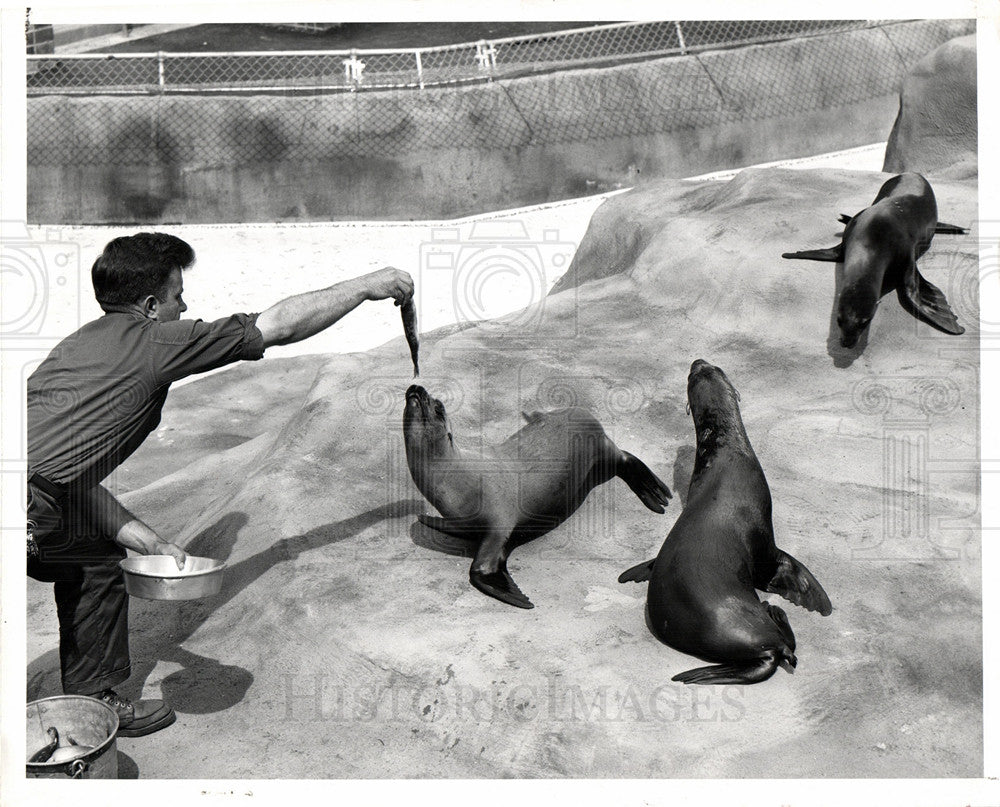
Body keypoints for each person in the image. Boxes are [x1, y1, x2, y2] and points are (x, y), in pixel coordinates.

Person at [26, 232, 413, 737]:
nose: (184, 305)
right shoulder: (155, 341)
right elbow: (275, 327)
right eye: (175, 296)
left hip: (35, 497)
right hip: (25, 509)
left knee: (96, 560)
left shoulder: (76, 347)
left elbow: (64, 476)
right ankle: (85, 716)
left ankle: (88, 706)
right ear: (148, 305)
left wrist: (149, 541)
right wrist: (366, 285)